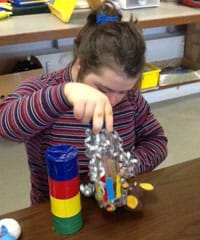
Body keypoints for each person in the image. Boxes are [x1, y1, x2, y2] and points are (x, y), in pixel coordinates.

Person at [0, 1, 167, 205]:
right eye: (103, 89)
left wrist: (131, 165)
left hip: (113, 203)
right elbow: (5, 126)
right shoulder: (45, 90)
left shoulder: (131, 100)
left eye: (123, 91)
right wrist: (63, 94)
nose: (112, 101)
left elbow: (157, 141)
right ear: (79, 66)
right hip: (55, 209)